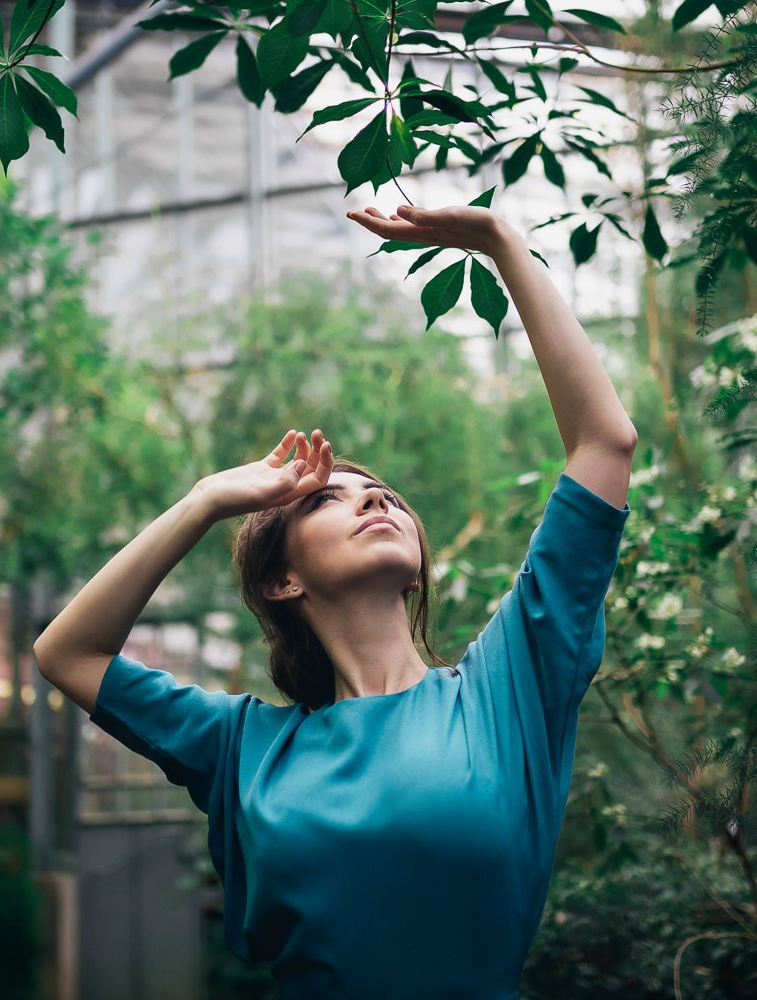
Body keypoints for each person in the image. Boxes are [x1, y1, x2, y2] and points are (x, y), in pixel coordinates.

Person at [34, 203, 639, 999]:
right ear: (284, 582)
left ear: (418, 565)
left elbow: (604, 444)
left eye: (383, 493)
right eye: (328, 501)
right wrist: (206, 500)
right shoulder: (243, 747)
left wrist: (499, 242)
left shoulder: (508, 693)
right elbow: (66, 653)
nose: (372, 501)